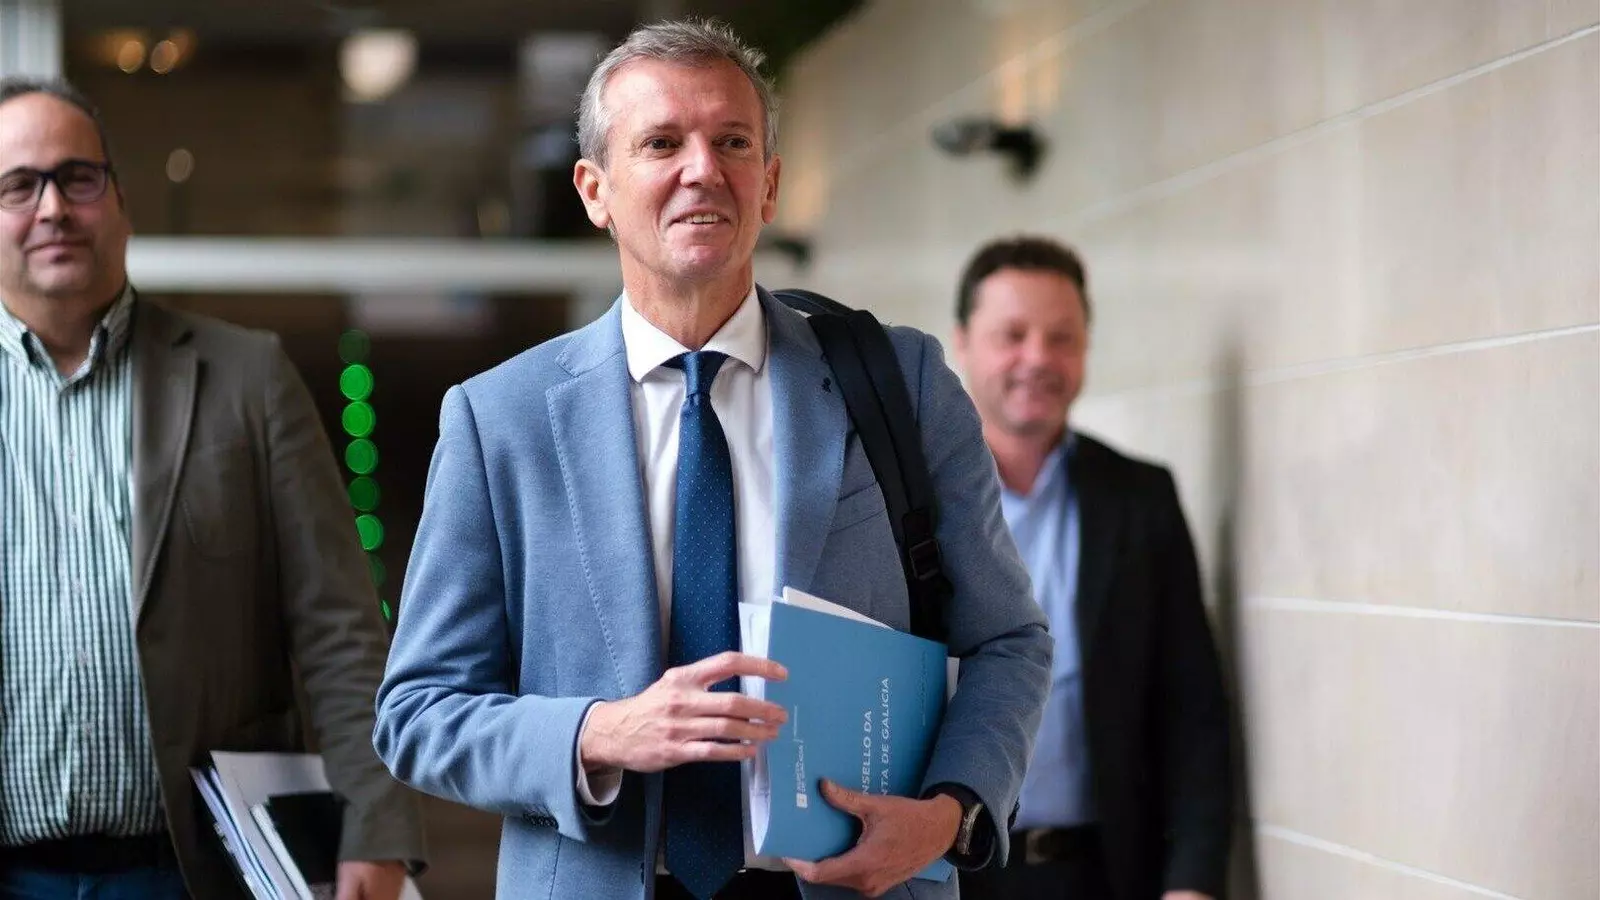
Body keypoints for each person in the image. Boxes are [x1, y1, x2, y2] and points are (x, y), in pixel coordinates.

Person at [374, 18, 1052, 900]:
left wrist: (949, 815)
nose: (703, 169)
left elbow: (1008, 641)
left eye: (732, 142)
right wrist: (598, 734)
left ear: (769, 184)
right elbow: (419, 712)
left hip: (852, 883)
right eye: (662, 143)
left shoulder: (901, 382)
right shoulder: (499, 419)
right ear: (595, 190)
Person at [0, 79, 426, 899]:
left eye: (77, 178)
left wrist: (377, 827)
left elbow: (340, 628)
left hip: (199, 870)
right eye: (19, 186)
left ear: (120, 202)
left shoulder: (246, 377)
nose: (52, 208)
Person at [949, 236, 1232, 900]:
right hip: (945, 876)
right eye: (1012, 335)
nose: (1038, 358)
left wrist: (1193, 882)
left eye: (1062, 338)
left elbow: (1193, 709)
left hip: (1103, 874)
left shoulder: (1141, 498)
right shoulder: (907, 497)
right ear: (962, 343)